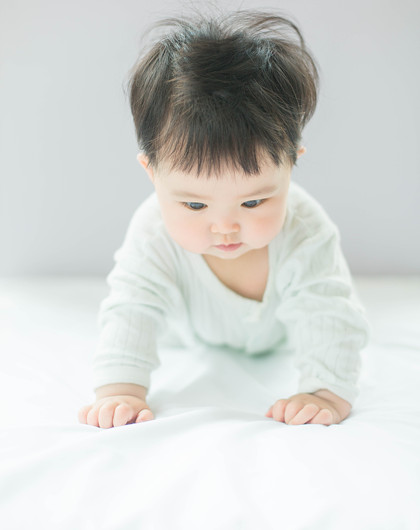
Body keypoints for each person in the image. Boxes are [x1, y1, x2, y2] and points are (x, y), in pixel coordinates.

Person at [78, 8, 370, 429]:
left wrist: (324, 391)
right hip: (191, 337)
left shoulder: (305, 231)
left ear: (291, 164)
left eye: (253, 203)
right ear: (151, 173)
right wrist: (120, 389)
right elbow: (132, 306)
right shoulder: (153, 232)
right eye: (195, 206)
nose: (225, 227)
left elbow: (326, 312)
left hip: (282, 340)